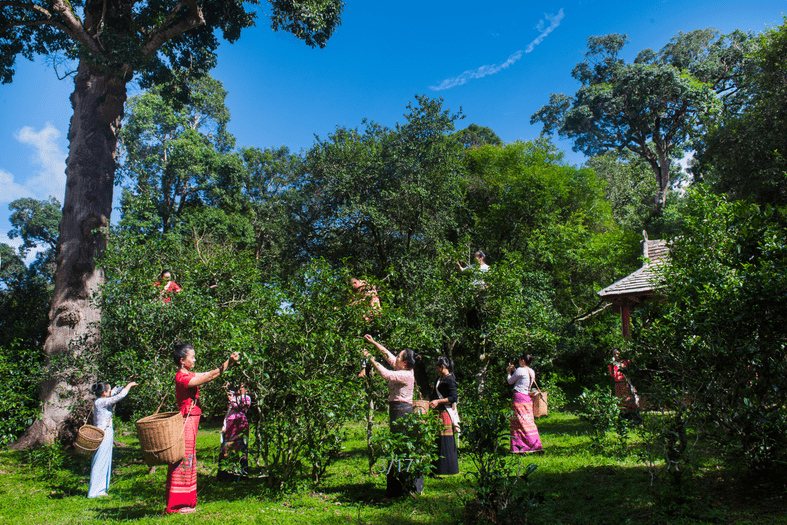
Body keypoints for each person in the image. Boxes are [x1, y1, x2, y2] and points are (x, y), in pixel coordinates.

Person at [165, 342, 240, 514]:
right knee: (183, 459)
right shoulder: (182, 378)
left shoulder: (187, 374)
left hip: (191, 421)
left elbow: (208, 373)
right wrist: (228, 362)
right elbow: (208, 378)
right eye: (192, 357)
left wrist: (228, 364)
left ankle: (186, 502)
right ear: (182, 360)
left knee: (188, 459)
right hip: (186, 421)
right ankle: (177, 505)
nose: (195, 359)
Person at [362, 333, 424, 496]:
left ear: (404, 363)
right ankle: (402, 487)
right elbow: (387, 355)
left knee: (399, 448)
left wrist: (371, 360)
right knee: (398, 447)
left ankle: (404, 487)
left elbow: (386, 374)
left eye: (398, 356)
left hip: (402, 410)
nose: (394, 357)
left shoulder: (405, 375)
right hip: (398, 409)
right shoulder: (403, 367)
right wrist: (374, 342)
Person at [87, 380, 138, 498]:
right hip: (103, 433)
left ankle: (101, 490)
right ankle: (95, 491)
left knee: (105, 459)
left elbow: (115, 392)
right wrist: (129, 386)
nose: (110, 392)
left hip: (106, 432)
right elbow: (119, 396)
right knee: (100, 460)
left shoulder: (101, 400)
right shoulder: (101, 402)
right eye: (108, 390)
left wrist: (123, 384)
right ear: (104, 393)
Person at [506, 354, 543, 453]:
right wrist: (515, 370)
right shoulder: (531, 371)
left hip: (518, 397)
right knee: (528, 422)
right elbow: (523, 379)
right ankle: (535, 444)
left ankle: (519, 447)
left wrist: (509, 372)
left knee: (518, 422)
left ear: (522, 361)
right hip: (527, 398)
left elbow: (510, 381)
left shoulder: (519, 370)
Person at [429, 356, 459, 475]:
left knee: (445, 439)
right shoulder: (439, 378)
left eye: (437, 367)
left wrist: (438, 401)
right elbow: (433, 395)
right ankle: (436, 468)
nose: (436, 370)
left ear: (442, 367)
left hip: (446, 412)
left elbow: (453, 398)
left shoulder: (450, 379)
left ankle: (447, 469)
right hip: (438, 413)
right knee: (438, 439)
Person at [218, 383, 251, 481]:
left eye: (241, 387)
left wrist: (232, 401)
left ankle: (241, 474)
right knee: (226, 449)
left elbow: (241, 408)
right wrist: (226, 387)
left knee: (241, 449)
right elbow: (228, 393)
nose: (239, 389)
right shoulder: (235, 397)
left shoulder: (246, 398)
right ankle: (225, 474)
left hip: (239, 425)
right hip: (230, 427)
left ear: (246, 389)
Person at [609, 348, 639, 413]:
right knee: (620, 400)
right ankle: (623, 415)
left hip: (625, 383)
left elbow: (631, 372)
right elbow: (612, 375)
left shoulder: (626, 362)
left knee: (628, 398)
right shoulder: (612, 364)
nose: (616, 355)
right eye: (614, 354)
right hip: (617, 384)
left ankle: (632, 414)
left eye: (617, 353)